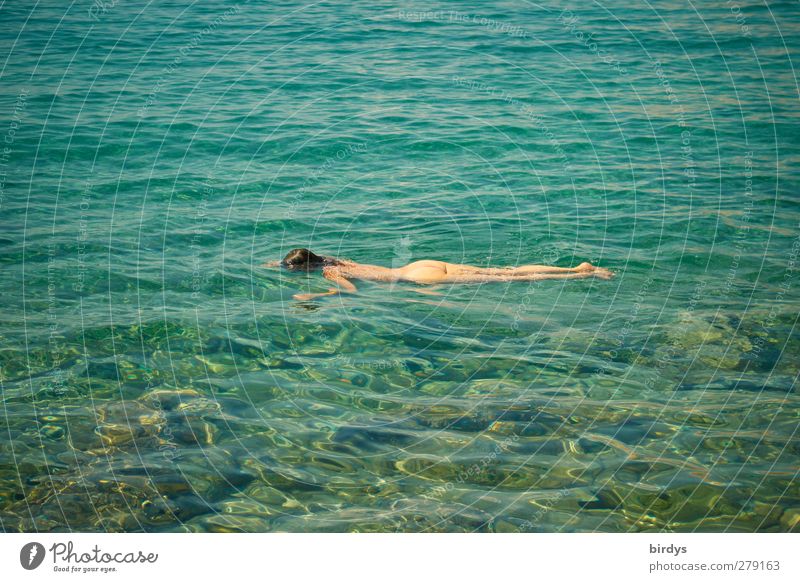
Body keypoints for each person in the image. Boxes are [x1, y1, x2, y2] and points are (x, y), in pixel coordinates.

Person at [268, 248, 614, 301]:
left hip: (419, 280)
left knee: (509, 280)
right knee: (505, 271)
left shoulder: (329, 273)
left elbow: (351, 293)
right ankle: (578, 268)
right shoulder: (333, 258)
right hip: (420, 265)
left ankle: (581, 276)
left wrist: (316, 295)